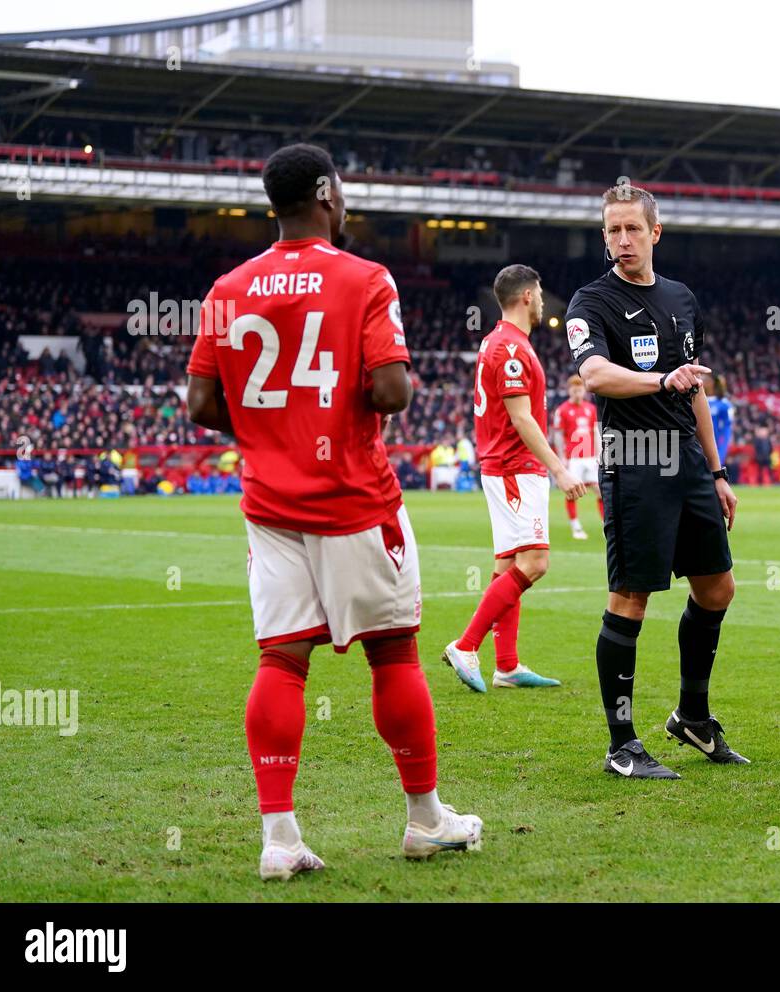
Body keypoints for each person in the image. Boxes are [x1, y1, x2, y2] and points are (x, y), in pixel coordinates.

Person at [185, 142, 481, 882]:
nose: (346, 202)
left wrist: (272, 425)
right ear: (324, 193)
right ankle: (423, 820)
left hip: (269, 504)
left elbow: (199, 404)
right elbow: (392, 391)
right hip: (353, 499)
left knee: (281, 661)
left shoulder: (228, 286)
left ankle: (280, 838)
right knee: (394, 654)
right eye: (342, 191)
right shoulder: (365, 277)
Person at [564, 181, 747, 779]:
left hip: (688, 465)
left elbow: (693, 386)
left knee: (717, 589)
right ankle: (621, 743)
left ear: (655, 232)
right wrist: (660, 380)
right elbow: (594, 375)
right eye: (611, 230)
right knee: (631, 599)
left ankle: (692, 717)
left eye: (631, 229)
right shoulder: (590, 302)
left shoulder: (680, 298)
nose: (621, 240)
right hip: (634, 461)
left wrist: (716, 470)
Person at [442, 265, 585, 690]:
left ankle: (506, 665)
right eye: (539, 293)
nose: (542, 301)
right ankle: (466, 645)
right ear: (526, 296)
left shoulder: (499, 341)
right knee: (535, 562)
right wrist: (559, 468)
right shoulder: (509, 347)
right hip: (515, 468)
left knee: (507, 565)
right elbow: (521, 418)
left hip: (506, 467)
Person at [552, 373, 603, 539]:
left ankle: (605, 525)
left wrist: (599, 453)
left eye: (580, 390)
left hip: (590, 458)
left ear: (584, 390)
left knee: (600, 491)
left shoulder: (591, 409)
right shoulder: (563, 410)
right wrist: (562, 457)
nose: (577, 393)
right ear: (569, 391)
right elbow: (558, 435)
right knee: (572, 492)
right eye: (574, 390)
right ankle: (576, 526)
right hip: (573, 458)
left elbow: (595, 432)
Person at [705, 373, 735, 469]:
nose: (701, 381)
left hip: (713, 446)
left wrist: (721, 453)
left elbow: (727, 430)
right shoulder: (694, 400)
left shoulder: (724, 404)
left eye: (705, 379)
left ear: (713, 382)